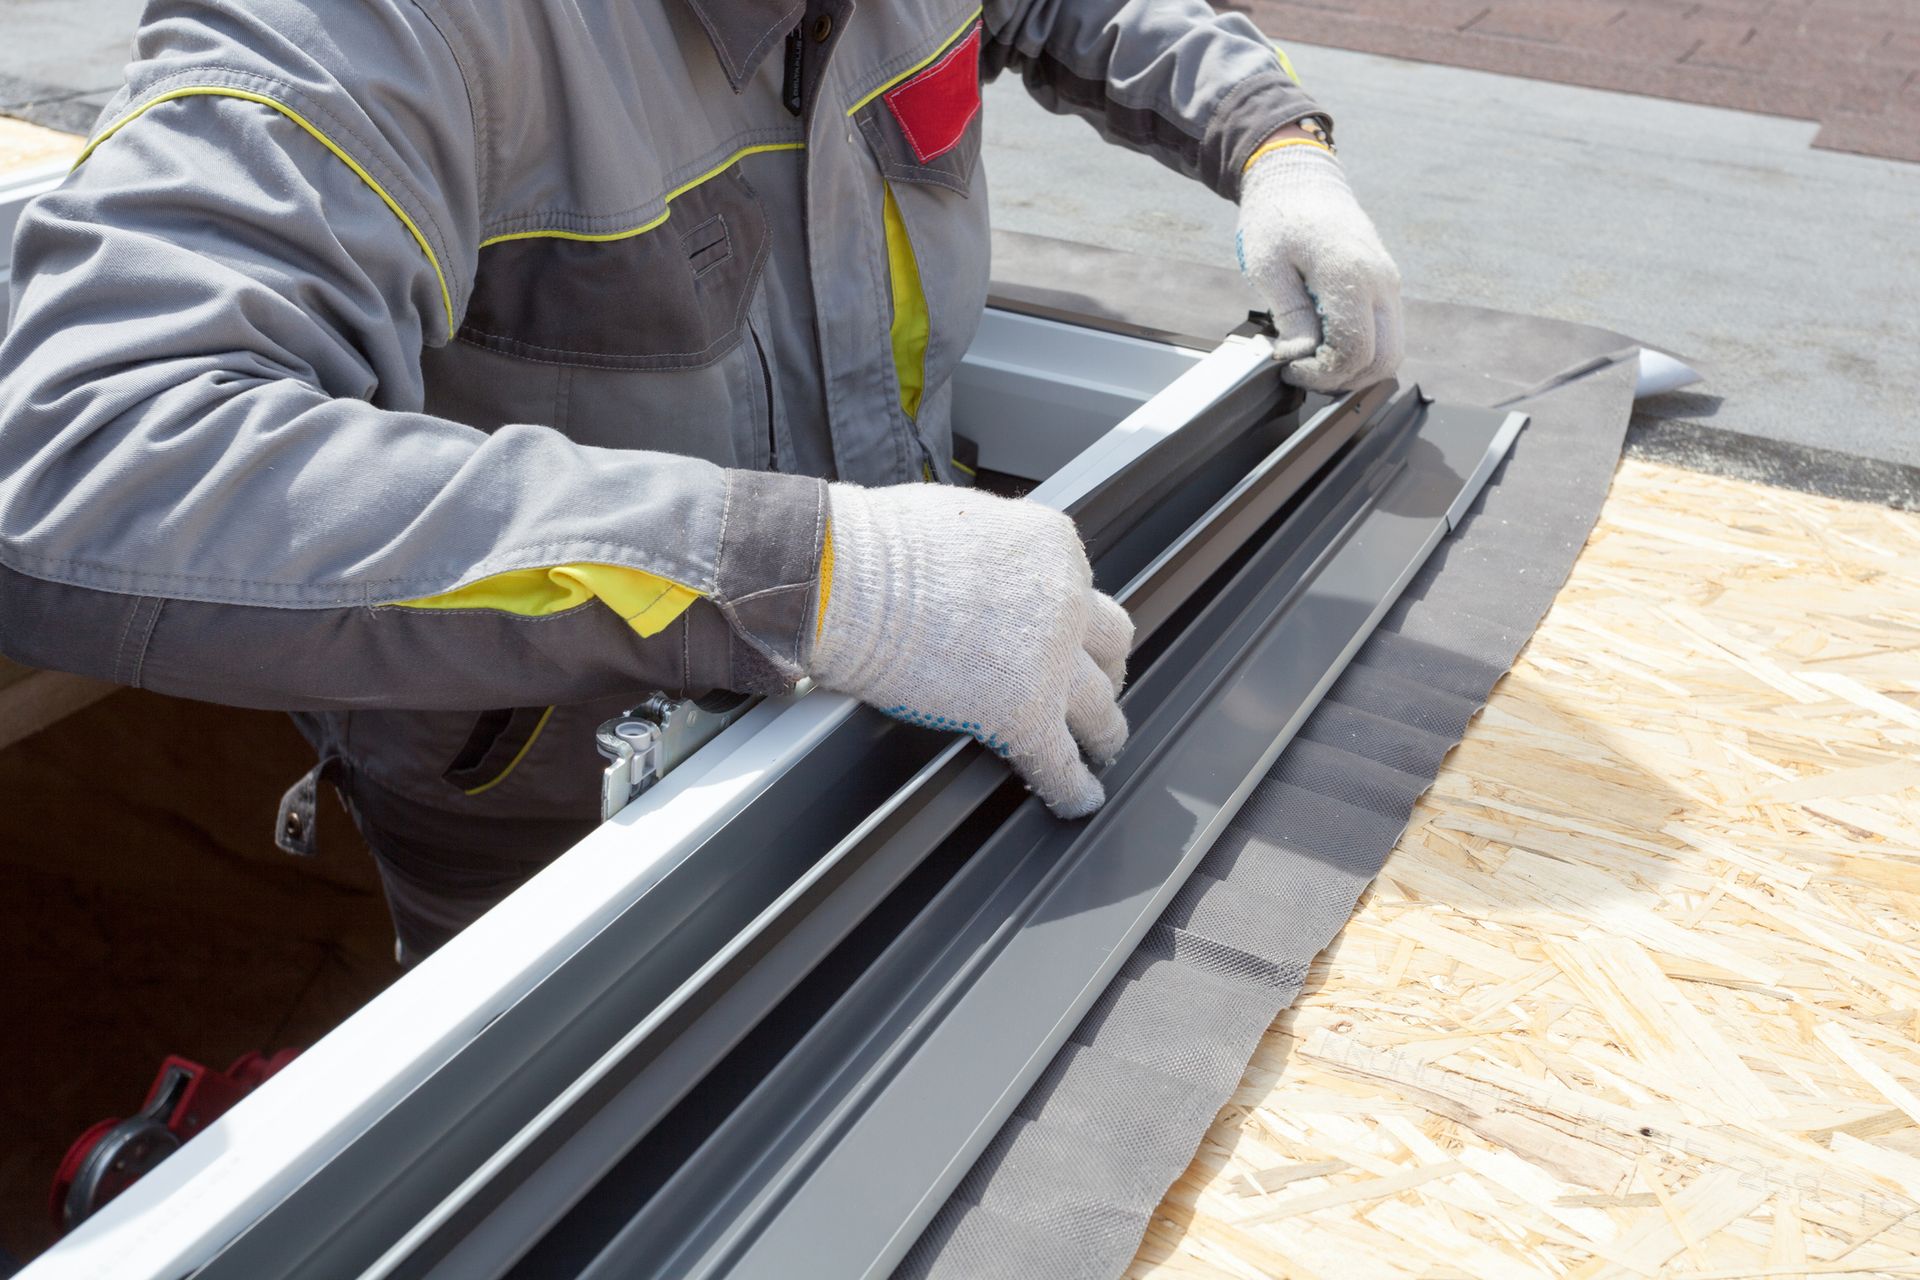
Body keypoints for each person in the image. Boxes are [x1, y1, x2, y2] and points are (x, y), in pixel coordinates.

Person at [0, 0, 1402, 960]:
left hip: (927, 684)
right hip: (555, 820)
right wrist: (804, 575)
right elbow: (82, 457)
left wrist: (1266, 136)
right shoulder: (377, 29)